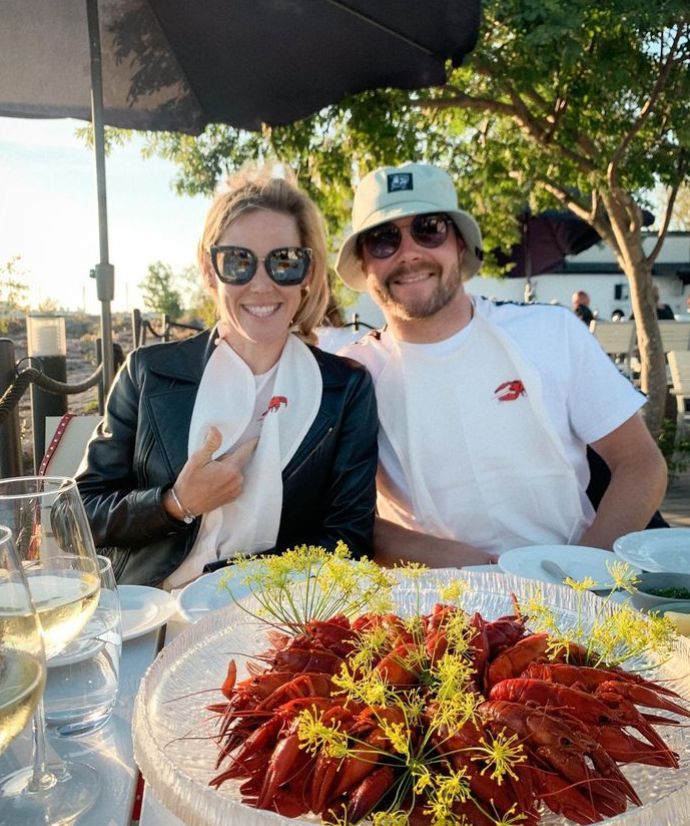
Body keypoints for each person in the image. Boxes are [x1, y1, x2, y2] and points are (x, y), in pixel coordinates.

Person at [335, 162, 667, 568]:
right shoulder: (350, 375)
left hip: (569, 583)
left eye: (429, 227)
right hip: (431, 603)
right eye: (383, 240)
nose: (409, 253)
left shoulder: (550, 332)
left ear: (460, 244)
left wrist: (579, 574)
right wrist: (473, 568)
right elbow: (348, 517)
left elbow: (641, 464)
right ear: (364, 264)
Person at [77, 167, 378, 587]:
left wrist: (228, 583)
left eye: (284, 262)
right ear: (208, 270)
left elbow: (349, 539)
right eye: (238, 262)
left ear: (308, 275)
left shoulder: (345, 389)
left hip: (271, 611)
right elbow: (78, 514)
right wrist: (175, 503)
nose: (261, 284)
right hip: (149, 613)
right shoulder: (148, 372)